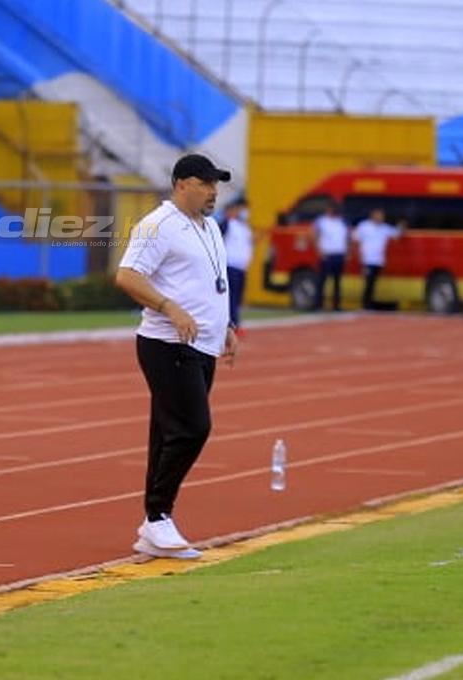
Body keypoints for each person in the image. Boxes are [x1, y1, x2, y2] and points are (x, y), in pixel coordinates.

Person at [115, 153, 239, 560]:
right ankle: (157, 516)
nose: (213, 191)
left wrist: (226, 326)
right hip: (167, 344)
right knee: (192, 428)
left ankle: (154, 525)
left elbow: (210, 283)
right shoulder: (158, 225)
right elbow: (128, 275)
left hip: (203, 345)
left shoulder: (210, 228)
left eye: (216, 184)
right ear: (182, 183)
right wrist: (169, 307)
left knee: (167, 432)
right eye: (205, 183)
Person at [352, 208, 406, 310]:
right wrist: (358, 256)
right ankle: (366, 304)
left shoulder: (384, 228)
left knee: (373, 283)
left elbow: (397, 235)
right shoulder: (364, 226)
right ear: (373, 216)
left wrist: (402, 225)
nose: (380, 218)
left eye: (382, 216)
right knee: (368, 282)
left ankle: (370, 303)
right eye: (378, 215)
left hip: (379, 260)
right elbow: (355, 240)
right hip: (367, 260)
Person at [220, 196, 253, 333]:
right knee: (231, 297)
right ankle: (233, 325)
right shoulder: (227, 224)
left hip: (241, 267)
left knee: (238, 298)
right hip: (230, 266)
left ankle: (234, 323)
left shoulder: (243, 227)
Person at [312, 201, 348, 311]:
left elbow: (346, 237)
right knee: (322, 280)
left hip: (339, 253)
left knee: (337, 281)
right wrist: (319, 250)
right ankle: (318, 304)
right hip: (327, 254)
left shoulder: (342, 222)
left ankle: (336, 305)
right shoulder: (321, 221)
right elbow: (315, 236)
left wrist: (347, 251)